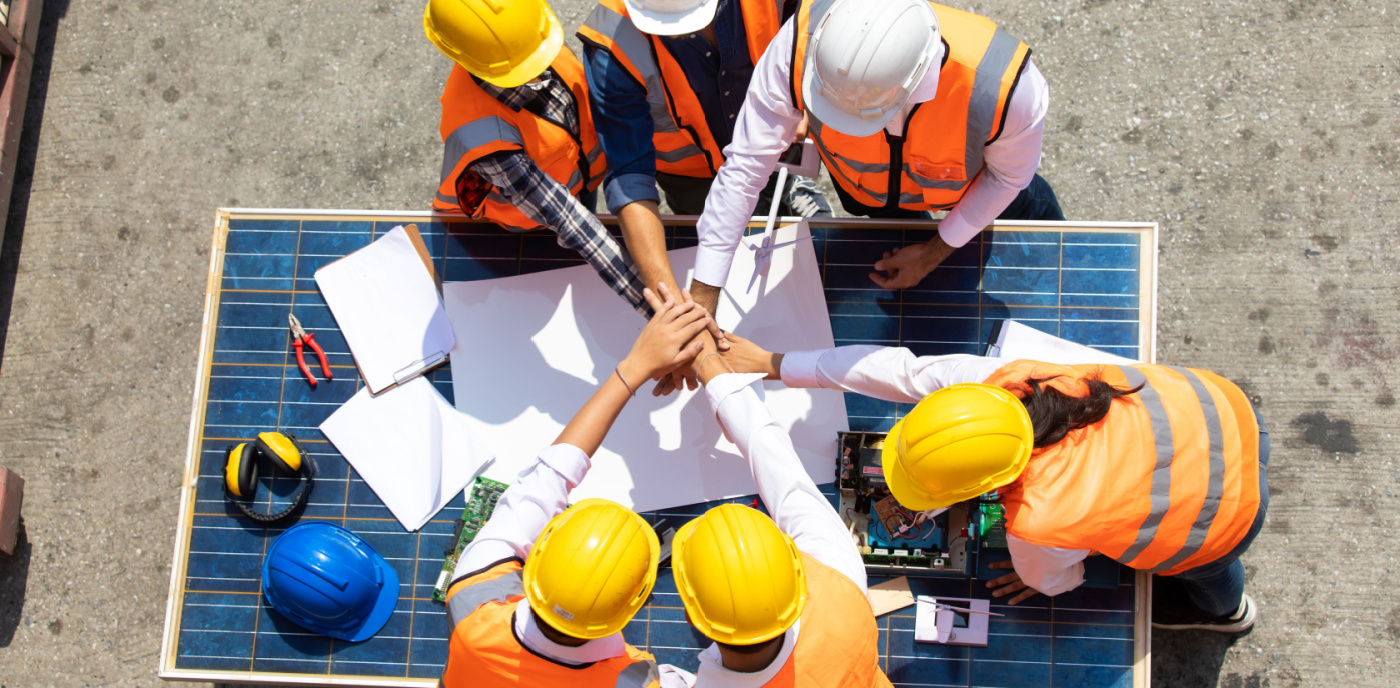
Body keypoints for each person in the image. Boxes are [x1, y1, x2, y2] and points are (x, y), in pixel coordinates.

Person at [718, 337, 1268, 633]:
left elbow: (1061, 581)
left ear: (989, 486)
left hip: (1227, 513)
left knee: (1209, 566)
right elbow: (898, 370)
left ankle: (1227, 613)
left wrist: (1042, 573)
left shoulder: (1039, 517)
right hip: (1220, 408)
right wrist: (775, 363)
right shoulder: (1009, 383)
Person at [689, 0, 1066, 315]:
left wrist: (935, 253)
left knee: (1062, 278)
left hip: (980, 191)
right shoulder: (796, 48)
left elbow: (1004, 179)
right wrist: (704, 293)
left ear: (913, 85)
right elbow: (743, 172)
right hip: (873, 198)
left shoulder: (1004, 88)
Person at [577, 0, 826, 358]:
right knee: (708, 238)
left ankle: (792, 200)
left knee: (798, 230)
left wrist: (811, 103)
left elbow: (819, 28)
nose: (686, 31)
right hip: (693, 178)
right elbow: (631, 178)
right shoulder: (610, 45)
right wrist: (676, 314)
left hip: (780, 149)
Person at [440, 284, 719, 687]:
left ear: (539, 552)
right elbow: (550, 477)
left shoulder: (473, 600)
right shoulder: (637, 679)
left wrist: (634, 367)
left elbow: (547, 478)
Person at [659, 339, 893, 685]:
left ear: (694, 620)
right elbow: (774, 458)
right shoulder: (837, 581)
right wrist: (708, 361)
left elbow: (769, 451)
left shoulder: (844, 575)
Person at [424, 0, 648, 314]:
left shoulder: (528, 34)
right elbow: (568, 220)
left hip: (578, 177)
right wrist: (653, 305)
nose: (539, 65)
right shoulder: (483, 137)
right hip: (521, 221)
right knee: (549, 268)